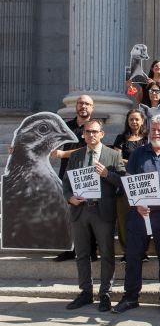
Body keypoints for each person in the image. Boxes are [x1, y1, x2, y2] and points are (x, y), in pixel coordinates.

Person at [112, 114, 160, 316]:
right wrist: (137, 204)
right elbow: (129, 180)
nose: (156, 132)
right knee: (133, 256)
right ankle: (130, 297)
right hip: (140, 213)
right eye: (154, 129)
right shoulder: (139, 153)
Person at [63, 119, 126, 312]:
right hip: (80, 210)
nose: (91, 135)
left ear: (102, 134)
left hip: (103, 211)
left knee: (107, 253)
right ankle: (85, 292)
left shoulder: (113, 155)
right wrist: (69, 198)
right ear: (83, 134)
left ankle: (105, 293)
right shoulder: (76, 155)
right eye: (88, 131)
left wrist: (108, 174)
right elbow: (66, 181)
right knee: (82, 254)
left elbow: (123, 182)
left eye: (95, 131)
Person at [51, 94, 97, 262]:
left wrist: (63, 153)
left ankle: (91, 250)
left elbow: (91, 148)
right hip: (66, 175)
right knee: (68, 214)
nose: (83, 106)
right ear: (76, 107)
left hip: (86, 175)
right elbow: (49, 143)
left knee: (88, 214)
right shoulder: (65, 126)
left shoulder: (94, 126)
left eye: (87, 103)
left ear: (92, 108)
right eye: (80, 103)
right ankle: (69, 249)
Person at [112, 109, 149, 263]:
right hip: (124, 183)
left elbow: (149, 160)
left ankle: (143, 251)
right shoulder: (121, 138)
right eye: (131, 119)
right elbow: (117, 159)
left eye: (136, 119)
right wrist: (135, 163)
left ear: (142, 121)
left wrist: (129, 162)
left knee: (143, 218)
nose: (134, 122)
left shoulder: (147, 139)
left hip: (142, 184)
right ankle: (127, 251)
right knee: (124, 218)